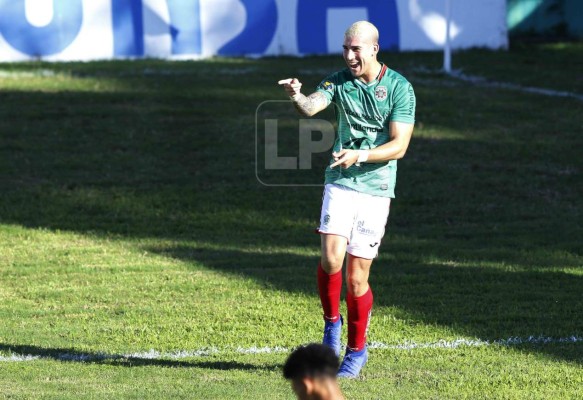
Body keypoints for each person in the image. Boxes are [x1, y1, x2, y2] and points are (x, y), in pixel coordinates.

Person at [278, 21, 416, 378]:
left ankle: (356, 351)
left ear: (374, 49)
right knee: (330, 258)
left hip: (376, 188)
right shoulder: (338, 80)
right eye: (346, 48)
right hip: (339, 180)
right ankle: (331, 327)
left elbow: (399, 146)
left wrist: (361, 155)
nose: (350, 55)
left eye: (356, 48)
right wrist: (296, 94)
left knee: (356, 278)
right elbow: (310, 108)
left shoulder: (400, 88)